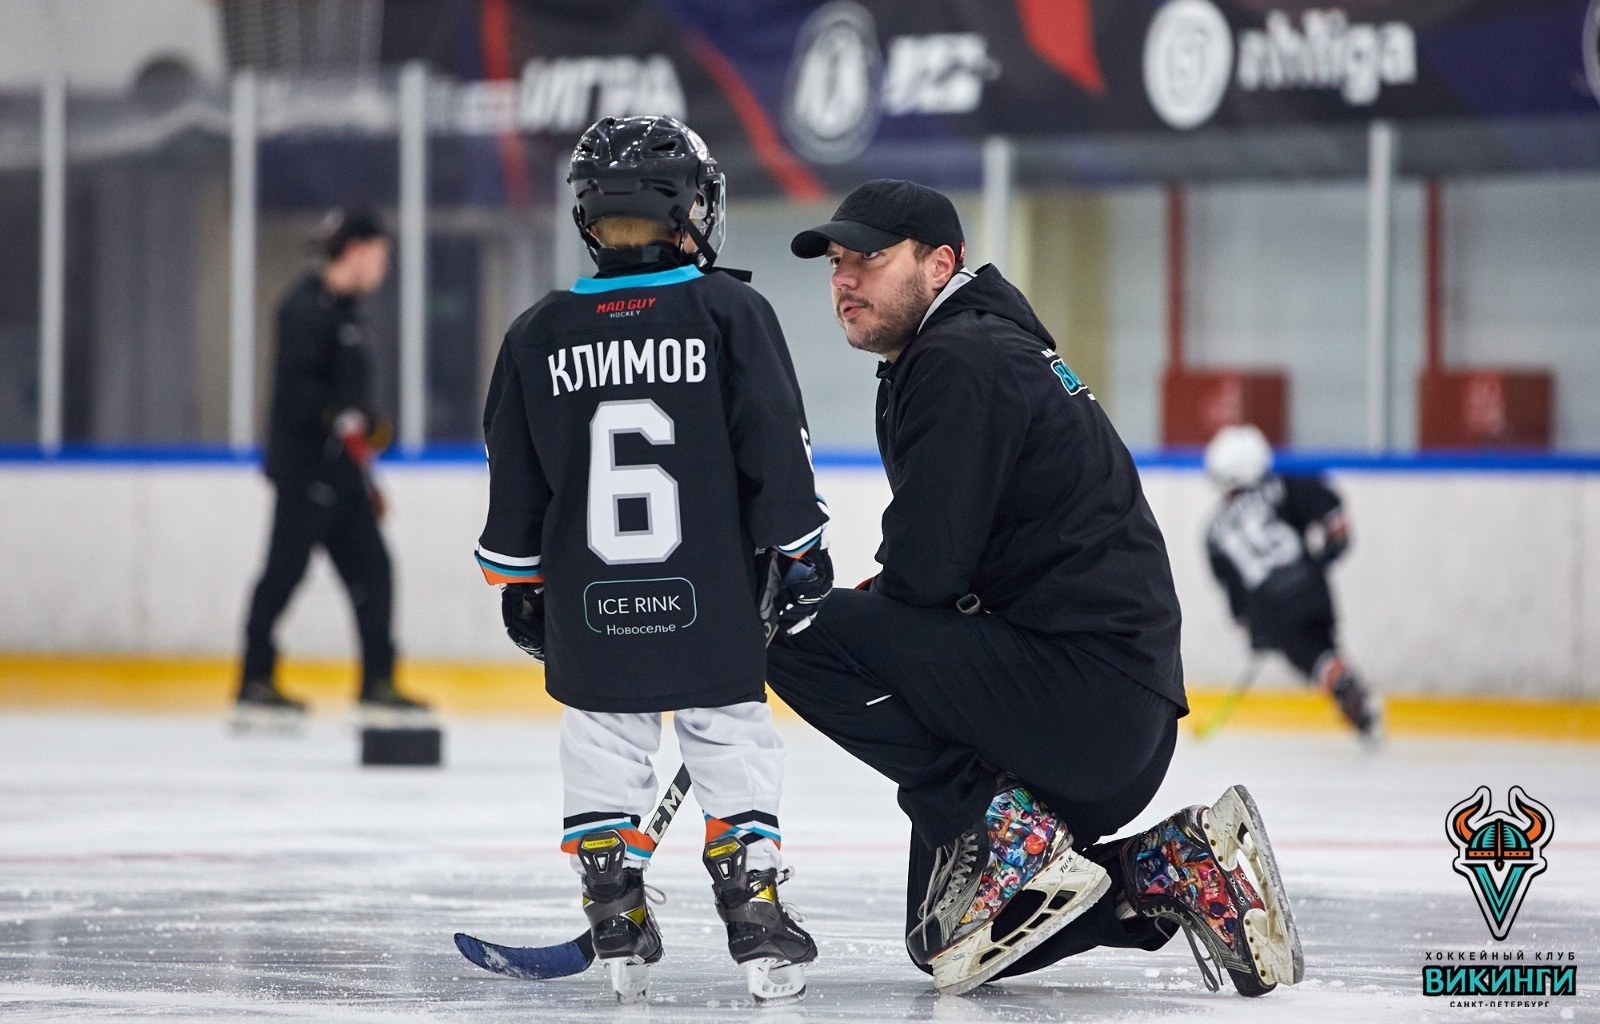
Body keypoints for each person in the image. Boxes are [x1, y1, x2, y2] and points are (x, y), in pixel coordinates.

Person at [768, 179, 1305, 997]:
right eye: (838, 262)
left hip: (1080, 698)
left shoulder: (961, 358)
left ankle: (991, 813)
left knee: (784, 624)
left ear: (940, 263)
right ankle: (1171, 872)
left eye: (869, 258)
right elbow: (952, 562)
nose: (845, 278)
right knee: (948, 940)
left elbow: (929, 570)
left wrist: (851, 602)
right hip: (1103, 710)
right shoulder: (969, 349)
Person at [475, 115, 833, 1005]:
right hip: (708, 590)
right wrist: (800, 552)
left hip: (592, 600)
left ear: (590, 216)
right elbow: (777, 451)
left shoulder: (534, 334)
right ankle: (755, 919)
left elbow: (515, 487)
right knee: (731, 736)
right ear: (692, 208)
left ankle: (613, 908)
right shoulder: (731, 312)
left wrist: (522, 587)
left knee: (600, 737)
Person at [236, 209, 426, 724]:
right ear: (358, 250)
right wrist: (344, 420)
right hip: (305, 473)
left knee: (375, 572)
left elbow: (349, 397)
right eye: (382, 253)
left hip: (344, 474)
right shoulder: (304, 308)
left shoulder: (349, 313)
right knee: (284, 572)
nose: (385, 265)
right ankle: (254, 680)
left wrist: (370, 431)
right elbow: (299, 394)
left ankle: (378, 683)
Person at [1202, 423, 1382, 737]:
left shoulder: (1212, 534)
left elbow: (1233, 590)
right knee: (1322, 644)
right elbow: (1330, 510)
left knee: (1310, 653)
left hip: (1270, 607)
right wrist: (1331, 548)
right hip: (1309, 584)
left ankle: (1339, 682)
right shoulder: (1282, 486)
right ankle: (1345, 684)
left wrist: (1250, 626)